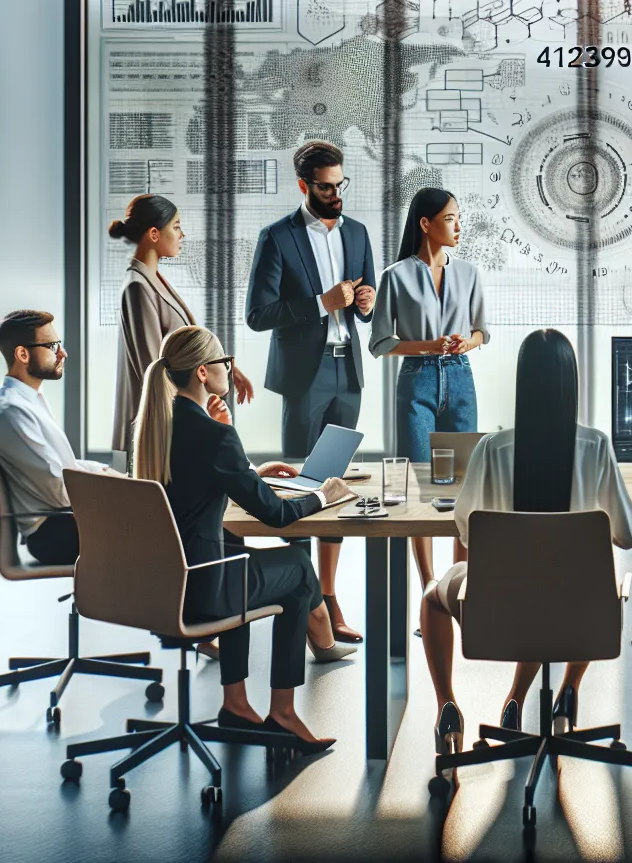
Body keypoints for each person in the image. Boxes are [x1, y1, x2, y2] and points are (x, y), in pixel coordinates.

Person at [420, 330, 632, 752]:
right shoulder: (596, 446)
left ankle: (448, 709)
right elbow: (630, 535)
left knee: (431, 596)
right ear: (572, 383)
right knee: (581, 586)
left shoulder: (492, 449)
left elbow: (464, 527)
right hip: (582, 617)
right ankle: (565, 690)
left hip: (500, 612)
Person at [129, 325, 354, 750]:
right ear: (201, 372)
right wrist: (323, 495)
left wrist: (250, 470)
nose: (230, 371)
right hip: (202, 591)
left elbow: (200, 483)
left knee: (236, 549)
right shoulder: (213, 436)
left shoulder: (156, 428)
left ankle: (236, 703)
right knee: (298, 569)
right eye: (224, 363)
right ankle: (284, 712)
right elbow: (277, 517)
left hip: (161, 587)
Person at [246, 140, 377, 643]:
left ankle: (330, 597)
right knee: (303, 487)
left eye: (340, 184)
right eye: (326, 187)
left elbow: (366, 310)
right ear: (304, 185)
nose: (336, 194)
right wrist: (320, 303)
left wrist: (364, 303)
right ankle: (303, 604)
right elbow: (258, 315)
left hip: (348, 373)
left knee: (335, 489)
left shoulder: (360, 234)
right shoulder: (277, 237)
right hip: (305, 377)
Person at [370, 187, 488, 595]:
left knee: (461, 489)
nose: (458, 226)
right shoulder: (395, 276)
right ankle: (428, 586)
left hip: (460, 378)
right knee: (419, 490)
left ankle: (461, 584)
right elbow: (381, 343)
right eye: (451, 218)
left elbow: (480, 332)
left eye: (458, 217)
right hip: (416, 379)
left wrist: (464, 342)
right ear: (426, 223)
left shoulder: (469, 273)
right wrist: (428, 345)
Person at [109, 193, 255, 454]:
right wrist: (195, 420)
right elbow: (153, 367)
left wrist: (227, 368)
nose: (182, 235)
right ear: (154, 234)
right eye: (175, 227)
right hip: (159, 427)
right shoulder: (137, 287)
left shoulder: (154, 279)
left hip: (175, 421)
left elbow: (186, 346)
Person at [0, 310, 118, 565]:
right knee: (170, 529)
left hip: (63, 520)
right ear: (22, 354)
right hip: (55, 531)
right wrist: (122, 491)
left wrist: (109, 473)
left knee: (170, 519)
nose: (62, 353)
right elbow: (61, 491)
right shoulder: (12, 412)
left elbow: (64, 469)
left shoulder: (27, 402)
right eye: (52, 345)